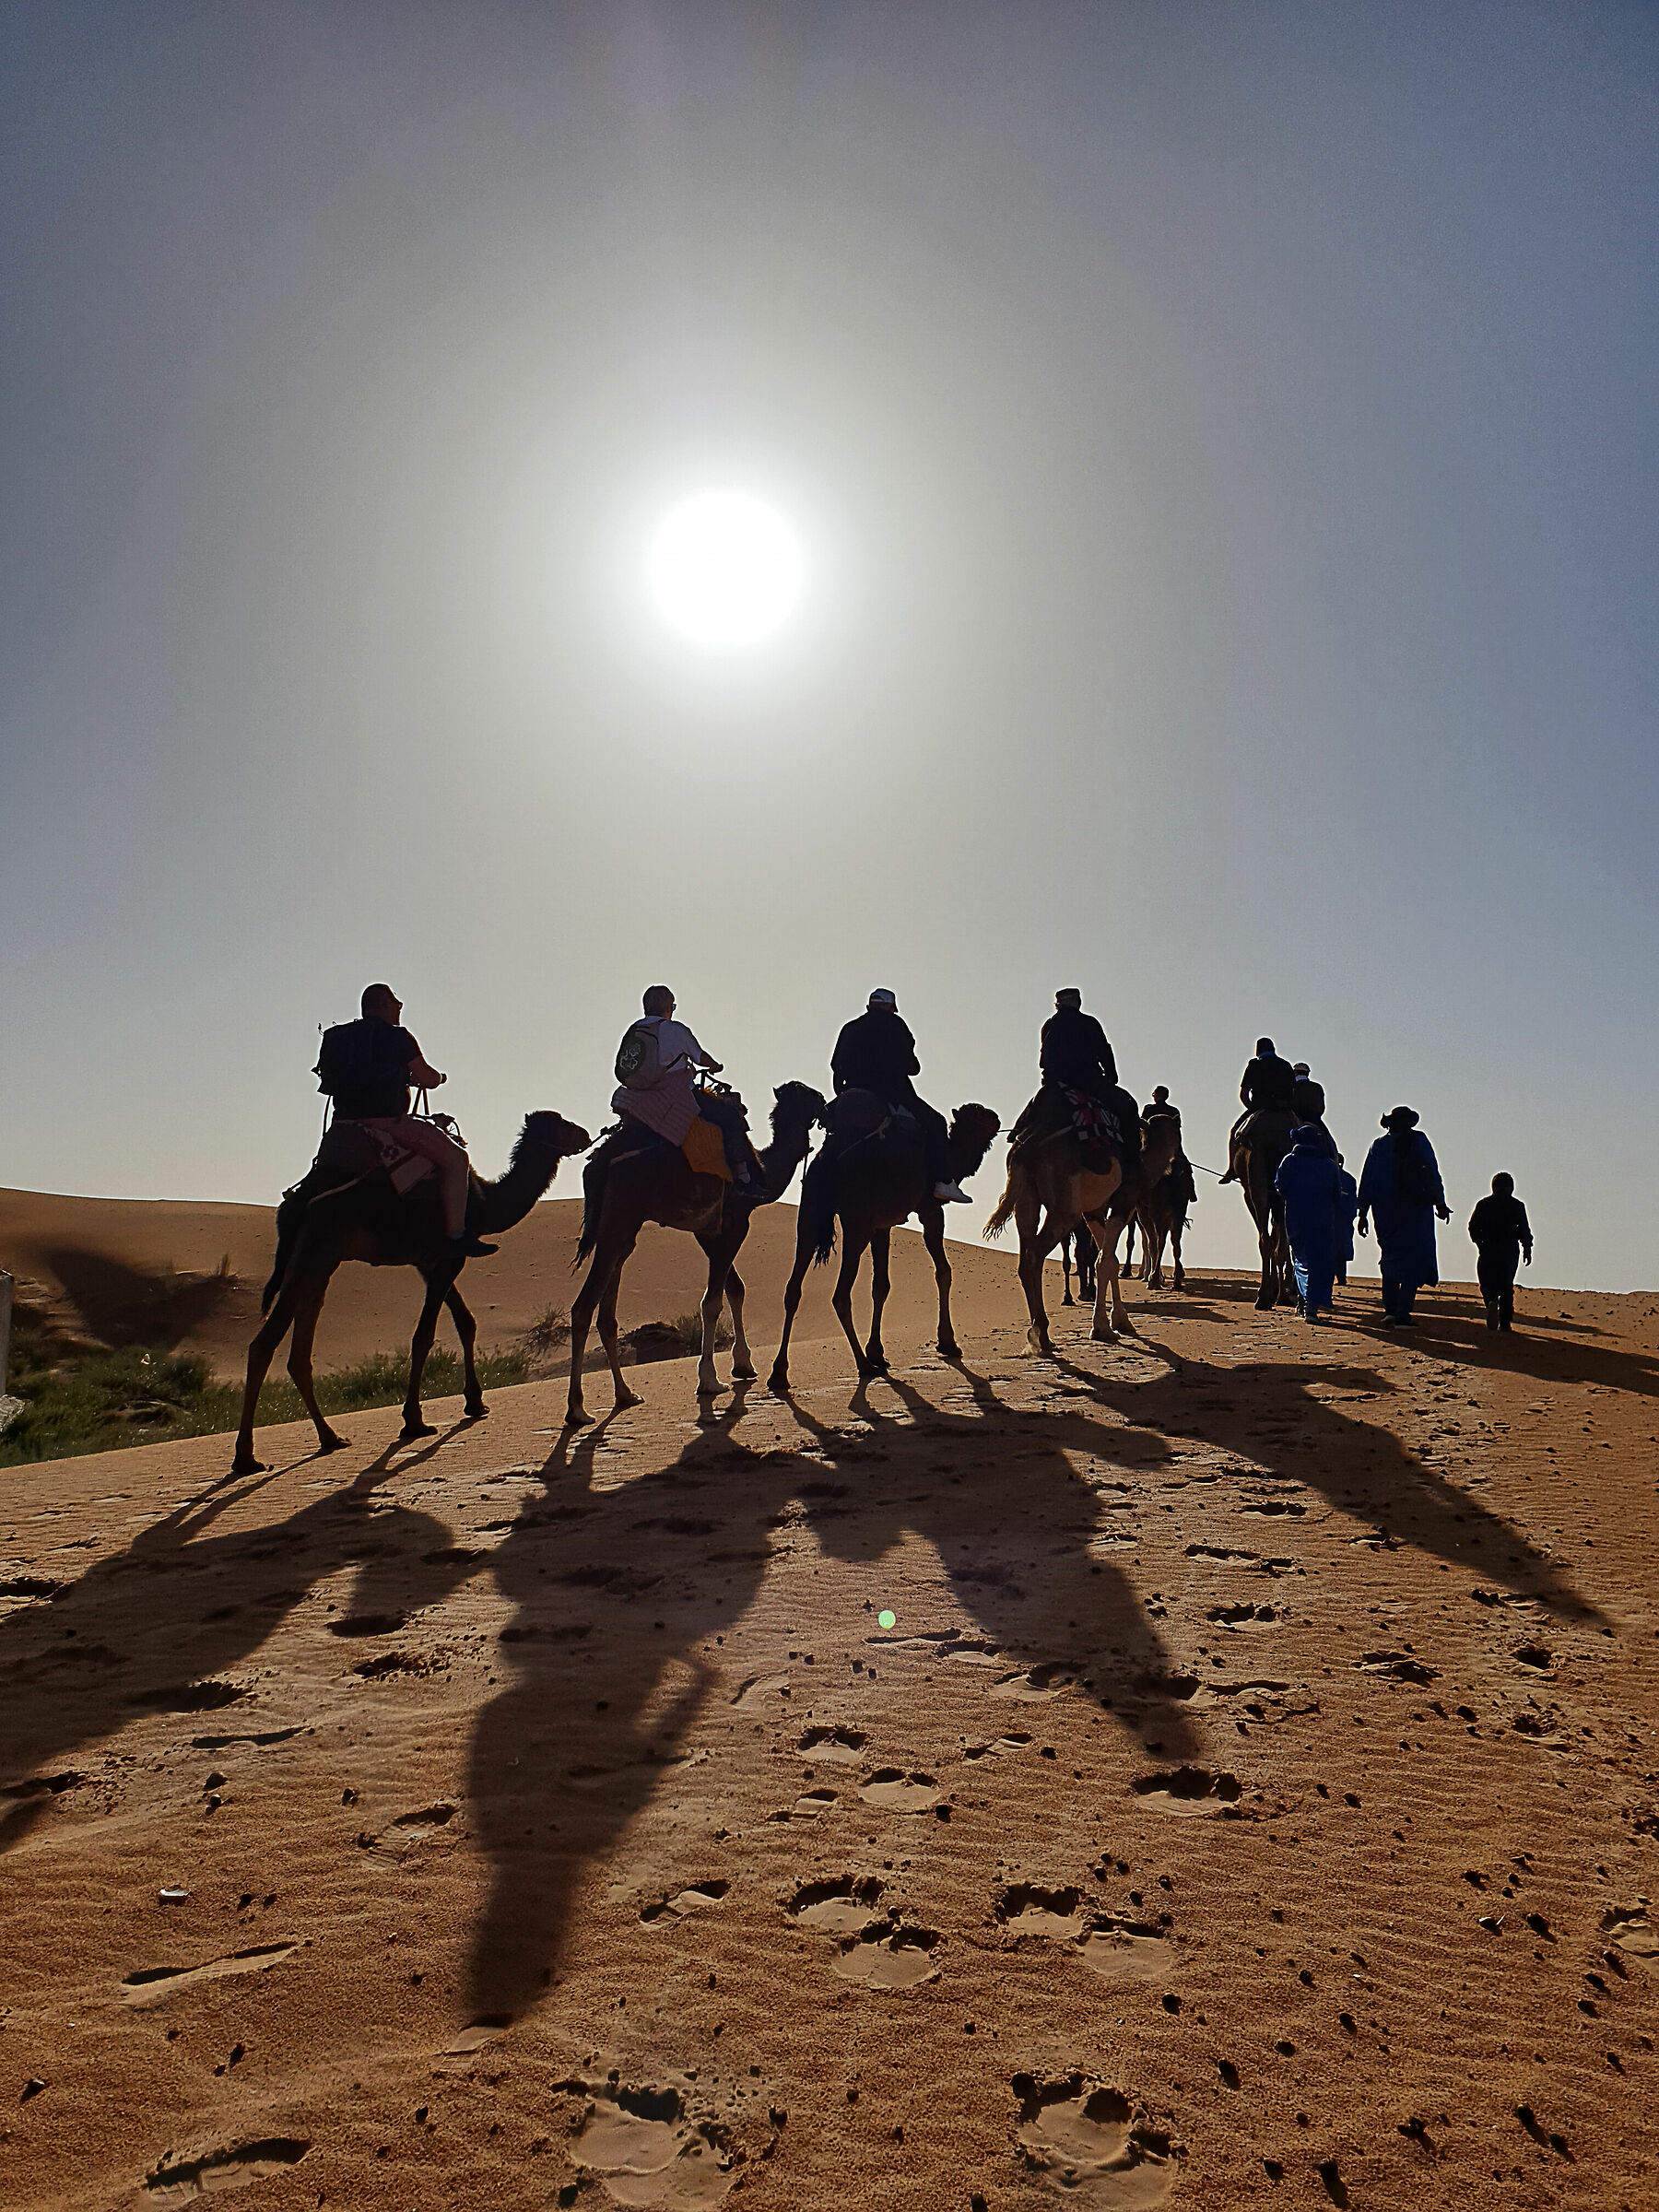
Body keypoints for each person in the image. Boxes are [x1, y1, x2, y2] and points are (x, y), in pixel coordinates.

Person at [315, 983, 491, 1258]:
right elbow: (428, 1078)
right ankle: (456, 1235)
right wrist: (440, 1078)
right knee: (457, 1159)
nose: (399, 1009)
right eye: (395, 1003)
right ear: (384, 1005)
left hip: (342, 1126)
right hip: (387, 1123)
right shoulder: (397, 1037)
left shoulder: (338, 1038)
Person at [830, 988, 966, 1202]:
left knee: (831, 1130)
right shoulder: (896, 1025)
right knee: (936, 1123)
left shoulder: (850, 1028)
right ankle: (943, 1182)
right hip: (892, 1092)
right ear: (889, 1006)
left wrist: (844, 1092)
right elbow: (911, 1066)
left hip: (851, 1093)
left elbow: (835, 1066)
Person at [1356, 1106, 1451, 1326]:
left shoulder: (1378, 1146)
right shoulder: (1419, 1141)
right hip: (1415, 1211)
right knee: (1414, 1260)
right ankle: (1402, 1312)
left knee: (1390, 1257)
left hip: (1385, 1212)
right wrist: (1440, 1202)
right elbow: (1431, 1172)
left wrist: (1362, 1212)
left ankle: (1390, 1310)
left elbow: (1367, 1179)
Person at [1275, 1122, 1342, 1321]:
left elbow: (1280, 1186)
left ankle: (1304, 1303)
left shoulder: (1289, 1161)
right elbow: (1336, 1195)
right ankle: (1310, 1305)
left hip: (1296, 1217)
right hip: (1322, 1219)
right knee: (1321, 1259)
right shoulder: (1330, 1165)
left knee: (1301, 1257)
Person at [1219, 1038, 1298, 1181]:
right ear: (1273, 1049)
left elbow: (1243, 1094)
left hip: (1260, 1108)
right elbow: (1294, 1092)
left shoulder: (1254, 1064)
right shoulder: (1285, 1065)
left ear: (1257, 1050)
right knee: (1307, 1134)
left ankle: (1232, 1169)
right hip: (1285, 1110)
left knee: (1234, 1133)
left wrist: (1252, 1109)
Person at [1468, 1172, 1533, 1333]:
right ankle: (1504, 1323)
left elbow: (1473, 1226)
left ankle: (1490, 1300)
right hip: (1509, 1251)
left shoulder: (1484, 1204)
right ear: (1511, 1188)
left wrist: (1479, 1243)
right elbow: (1524, 1230)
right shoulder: (1517, 1206)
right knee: (1506, 1286)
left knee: (1487, 1282)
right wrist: (1527, 1248)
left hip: (1488, 1250)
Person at [1040, 989, 1117, 1096]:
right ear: (1076, 1001)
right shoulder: (1089, 1022)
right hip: (1088, 1081)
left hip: (1053, 1083)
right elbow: (1104, 1052)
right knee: (1127, 1105)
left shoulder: (1048, 1026)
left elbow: (1044, 1061)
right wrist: (1112, 1076)